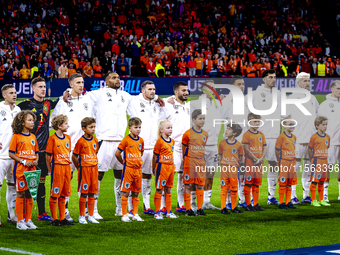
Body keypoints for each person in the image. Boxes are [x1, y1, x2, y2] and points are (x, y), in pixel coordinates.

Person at [50, 73, 95, 221]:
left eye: (82, 82)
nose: (81, 85)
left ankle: (88, 212)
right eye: (77, 83)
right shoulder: (63, 101)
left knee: (87, 180)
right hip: (67, 149)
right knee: (66, 179)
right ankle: (66, 211)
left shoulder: (89, 99)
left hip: (85, 148)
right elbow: (53, 121)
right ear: (70, 85)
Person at [18, 77, 59, 222]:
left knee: (41, 184)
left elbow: (63, 100)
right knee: (26, 185)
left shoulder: (49, 103)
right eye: (40, 87)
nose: (43, 89)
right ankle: (22, 215)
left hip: (43, 152)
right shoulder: (24, 105)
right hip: (28, 151)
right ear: (33, 88)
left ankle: (41, 213)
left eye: (44, 87)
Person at [127, 81, 167, 215]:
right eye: (150, 89)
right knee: (134, 177)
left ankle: (146, 205)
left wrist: (159, 101)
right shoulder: (133, 101)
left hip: (153, 146)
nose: (153, 91)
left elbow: (164, 114)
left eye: (154, 89)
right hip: (138, 146)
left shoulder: (157, 104)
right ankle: (129, 207)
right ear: (143, 90)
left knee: (149, 177)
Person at [250, 69, 281, 205]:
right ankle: (250, 197)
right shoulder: (256, 94)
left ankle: (271, 196)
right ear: (263, 79)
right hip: (260, 136)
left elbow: (285, 114)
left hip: (275, 135)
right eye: (270, 77)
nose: (273, 80)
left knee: (273, 164)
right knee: (256, 165)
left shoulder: (279, 94)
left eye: (274, 77)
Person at [287, 72, 319, 204]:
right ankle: (292, 195)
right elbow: (284, 117)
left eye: (308, 81)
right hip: (297, 140)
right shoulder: (292, 98)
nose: (307, 83)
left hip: (311, 141)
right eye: (305, 81)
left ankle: (306, 195)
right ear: (298, 82)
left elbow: (317, 117)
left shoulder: (313, 99)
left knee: (308, 168)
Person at [8, 110, 39, 230]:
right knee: (21, 193)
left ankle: (28, 220)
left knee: (30, 193)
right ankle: (20, 221)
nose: (32, 123)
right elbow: (11, 153)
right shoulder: (16, 137)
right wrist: (24, 161)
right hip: (20, 169)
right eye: (30, 120)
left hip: (32, 169)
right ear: (22, 122)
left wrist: (36, 160)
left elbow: (36, 152)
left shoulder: (33, 137)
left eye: (33, 120)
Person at [220, 75, 247, 208]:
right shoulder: (227, 101)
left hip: (243, 143)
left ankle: (240, 198)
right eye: (238, 84)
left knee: (241, 171)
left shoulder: (246, 100)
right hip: (231, 144)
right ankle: (229, 201)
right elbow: (220, 117)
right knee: (231, 172)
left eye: (243, 84)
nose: (242, 87)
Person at [164, 82, 190, 213]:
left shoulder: (189, 107)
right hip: (172, 146)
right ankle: (164, 205)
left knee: (182, 176)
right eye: (183, 90)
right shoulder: (168, 105)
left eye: (187, 90)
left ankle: (181, 204)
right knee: (168, 175)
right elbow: (156, 105)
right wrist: (165, 99)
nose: (186, 92)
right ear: (176, 92)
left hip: (186, 147)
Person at [46, 114, 74, 226]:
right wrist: (50, 170)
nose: (68, 125)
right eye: (66, 123)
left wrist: (70, 170)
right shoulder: (52, 138)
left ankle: (62, 218)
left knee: (64, 194)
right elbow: (48, 156)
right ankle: (55, 219)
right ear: (58, 125)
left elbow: (68, 153)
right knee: (55, 193)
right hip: (57, 168)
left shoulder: (68, 138)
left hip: (67, 167)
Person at [115, 117, 144, 222]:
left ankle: (135, 214)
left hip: (138, 170)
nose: (138, 129)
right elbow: (117, 153)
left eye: (139, 127)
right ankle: (124, 215)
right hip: (128, 170)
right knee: (126, 192)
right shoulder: (126, 140)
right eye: (136, 127)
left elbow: (141, 152)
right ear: (130, 128)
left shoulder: (141, 140)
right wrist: (124, 163)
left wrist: (137, 159)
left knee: (136, 192)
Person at [0, 84, 21, 224]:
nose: (14, 95)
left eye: (15, 92)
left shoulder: (18, 110)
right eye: (11, 93)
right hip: (1, 155)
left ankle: (11, 215)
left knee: (13, 185)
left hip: (14, 154)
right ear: (4, 95)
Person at [72, 117, 100, 224]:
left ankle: (91, 216)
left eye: (94, 127)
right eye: (91, 127)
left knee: (92, 193)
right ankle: (82, 216)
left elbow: (95, 153)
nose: (93, 129)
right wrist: (79, 167)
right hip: (84, 170)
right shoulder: (80, 141)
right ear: (84, 128)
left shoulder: (95, 140)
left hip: (94, 169)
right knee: (84, 193)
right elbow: (74, 156)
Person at [182, 109, 208, 216]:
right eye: (200, 119)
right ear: (194, 120)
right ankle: (188, 209)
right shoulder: (187, 134)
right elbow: (184, 149)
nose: (202, 121)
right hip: (189, 162)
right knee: (188, 185)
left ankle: (199, 209)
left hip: (201, 162)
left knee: (200, 185)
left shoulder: (205, 134)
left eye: (203, 119)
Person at [318, 80, 340, 202]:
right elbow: (319, 123)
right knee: (327, 167)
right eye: (338, 89)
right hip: (330, 142)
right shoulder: (325, 105)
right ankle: (325, 193)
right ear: (332, 89)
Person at [242, 113, 267, 211]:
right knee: (248, 183)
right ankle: (248, 205)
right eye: (255, 121)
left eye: (258, 122)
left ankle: (256, 204)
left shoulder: (261, 134)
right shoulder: (246, 134)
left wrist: (261, 158)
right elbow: (246, 149)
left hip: (259, 162)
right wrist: (255, 159)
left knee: (257, 183)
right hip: (250, 162)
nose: (257, 123)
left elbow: (264, 147)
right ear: (249, 122)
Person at [152, 120, 177, 219]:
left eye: (171, 128)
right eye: (168, 128)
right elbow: (154, 156)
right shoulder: (160, 141)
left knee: (168, 189)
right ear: (161, 130)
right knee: (159, 189)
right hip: (162, 168)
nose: (170, 130)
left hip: (171, 167)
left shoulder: (172, 141)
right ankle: (157, 212)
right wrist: (154, 169)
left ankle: (168, 211)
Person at [219, 124, 244, 214]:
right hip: (224, 169)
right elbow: (221, 156)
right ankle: (223, 207)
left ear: (234, 133)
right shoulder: (222, 144)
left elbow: (240, 158)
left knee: (234, 188)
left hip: (234, 170)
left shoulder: (239, 145)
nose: (226, 131)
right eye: (227, 128)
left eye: (229, 129)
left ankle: (234, 207)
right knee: (224, 188)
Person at [308, 116, 331, 207]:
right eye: (323, 125)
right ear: (317, 126)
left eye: (326, 125)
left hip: (324, 160)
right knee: (314, 181)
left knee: (322, 181)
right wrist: (312, 160)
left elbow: (326, 148)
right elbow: (310, 149)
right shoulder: (314, 137)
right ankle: (313, 200)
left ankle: (321, 200)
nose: (325, 126)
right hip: (316, 161)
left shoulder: (328, 137)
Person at [275, 119, 297, 209]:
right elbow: (277, 150)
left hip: (292, 162)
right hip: (284, 162)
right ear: (284, 126)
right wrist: (279, 161)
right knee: (283, 182)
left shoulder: (294, 137)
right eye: (290, 124)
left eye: (293, 124)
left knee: (289, 182)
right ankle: (282, 203)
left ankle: (288, 202)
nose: (292, 126)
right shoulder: (281, 137)